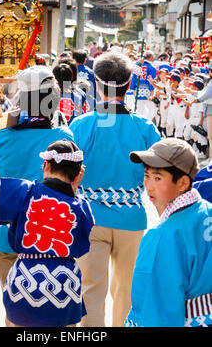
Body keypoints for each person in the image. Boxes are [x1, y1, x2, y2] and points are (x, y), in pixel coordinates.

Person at [69, 51, 161, 327]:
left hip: (90, 218)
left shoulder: (82, 125)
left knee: (91, 290)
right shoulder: (146, 128)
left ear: (96, 84)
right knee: (127, 292)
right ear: (129, 82)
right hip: (132, 217)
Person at [0, 65, 75, 311]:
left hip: (4, 236)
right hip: (48, 237)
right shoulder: (65, 137)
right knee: (46, 309)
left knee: (13, 308)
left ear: (21, 98)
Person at [0, 140, 94, 327]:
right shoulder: (81, 206)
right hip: (64, 285)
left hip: (25, 279)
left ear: (46, 165)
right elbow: (81, 248)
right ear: (78, 173)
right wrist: (72, 192)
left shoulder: (25, 191)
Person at [126, 138, 212, 327]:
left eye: (158, 178)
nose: (149, 185)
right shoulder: (207, 211)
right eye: (146, 175)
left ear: (182, 183)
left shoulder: (162, 236)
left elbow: (152, 310)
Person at [128, 51, 157, 121]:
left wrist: (132, 88)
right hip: (147, 91)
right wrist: (152, 91)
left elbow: (134, 78)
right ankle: (147, 122)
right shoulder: (152, 68)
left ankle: (139, 122)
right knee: (151, 108)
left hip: (138, 90)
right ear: (151, 58)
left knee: (139, 109)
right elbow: (151, 80)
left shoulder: (138, 67)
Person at [194, 62, 212, 158]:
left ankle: (211, 161)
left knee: (211, 138)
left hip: (210, 110)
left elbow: (207, 94)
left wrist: (197, 99)